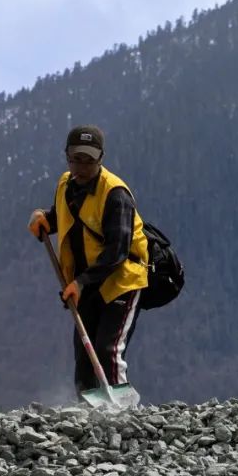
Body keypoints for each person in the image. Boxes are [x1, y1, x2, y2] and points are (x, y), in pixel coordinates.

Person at [27, 125, 149, 396]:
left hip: (122, 281)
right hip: (87, 283)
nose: (82, 166)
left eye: (89, 160)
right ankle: (88, 419)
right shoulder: (65, 185)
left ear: (100, 158)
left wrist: (81, 283)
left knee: (107, 350)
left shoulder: (115, 194)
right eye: (76, 159)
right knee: (84, 355)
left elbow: (117, 251)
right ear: (67, 156)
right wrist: (45, 220)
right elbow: (64, 216)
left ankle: (121, 418)